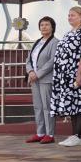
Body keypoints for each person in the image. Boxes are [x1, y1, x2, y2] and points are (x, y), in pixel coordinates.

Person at [51, 7, 81, 147]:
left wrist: (79, 74)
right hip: (65, 76)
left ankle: (77, 135)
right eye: (69, 15)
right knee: (72, 104)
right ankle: (75, 135)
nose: (70, 17)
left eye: (73, 15)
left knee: (80, 103)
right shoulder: (68, 33)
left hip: (76, 73)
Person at [26, 16, 57, 144]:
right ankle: (40, 133)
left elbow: (52, 61)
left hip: (46, 79)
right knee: (38, 106)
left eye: (47, 25)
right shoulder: (37, 42)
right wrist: (30, 71)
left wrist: (37, 74)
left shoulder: (55, 42)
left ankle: (50, 134)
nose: (44, 27)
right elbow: (28, 60)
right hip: (34, 79)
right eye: (42, 25)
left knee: (47, 106)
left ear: (52, 27)